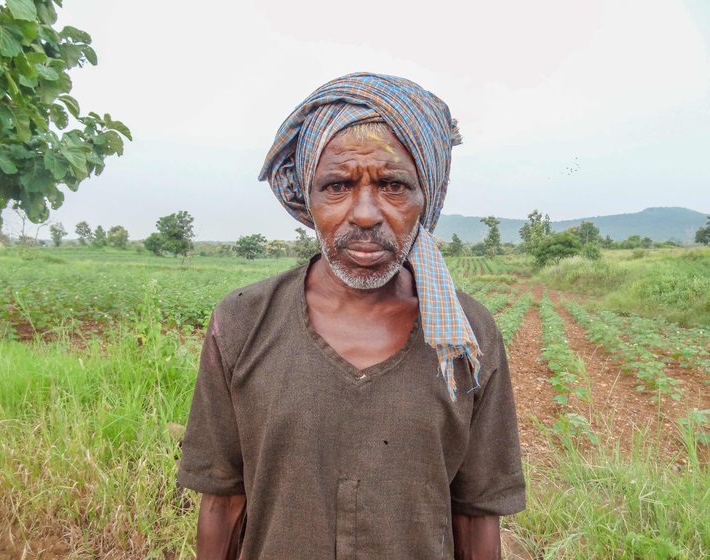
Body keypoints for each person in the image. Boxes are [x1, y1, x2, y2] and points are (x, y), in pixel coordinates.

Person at [178, 73, 525, 560]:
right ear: (308, 199)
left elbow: (475, 513)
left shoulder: (466, 336)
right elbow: (222, 500)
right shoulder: (242, 322)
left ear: (427, 198)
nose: (365, 214)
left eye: (393, 186)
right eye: (337, 185)